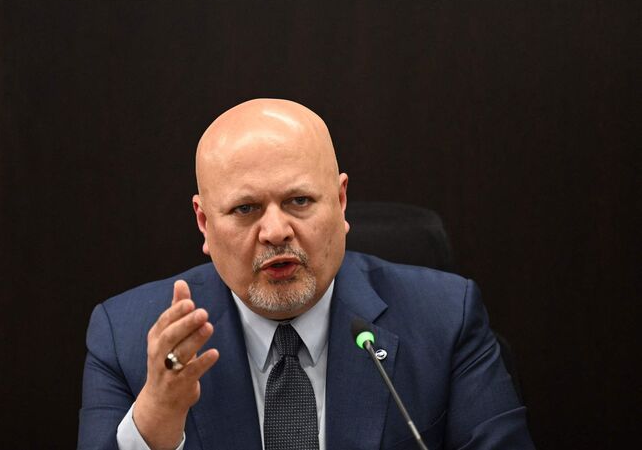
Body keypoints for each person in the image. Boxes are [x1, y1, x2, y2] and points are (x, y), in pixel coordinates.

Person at [78, 99, 534, 450]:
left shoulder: (444, 319)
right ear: (204, 223)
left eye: (299, 201)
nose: (275, 231)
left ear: (340, 202)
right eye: (245, 208)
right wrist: (157, 416)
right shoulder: (126, 336)